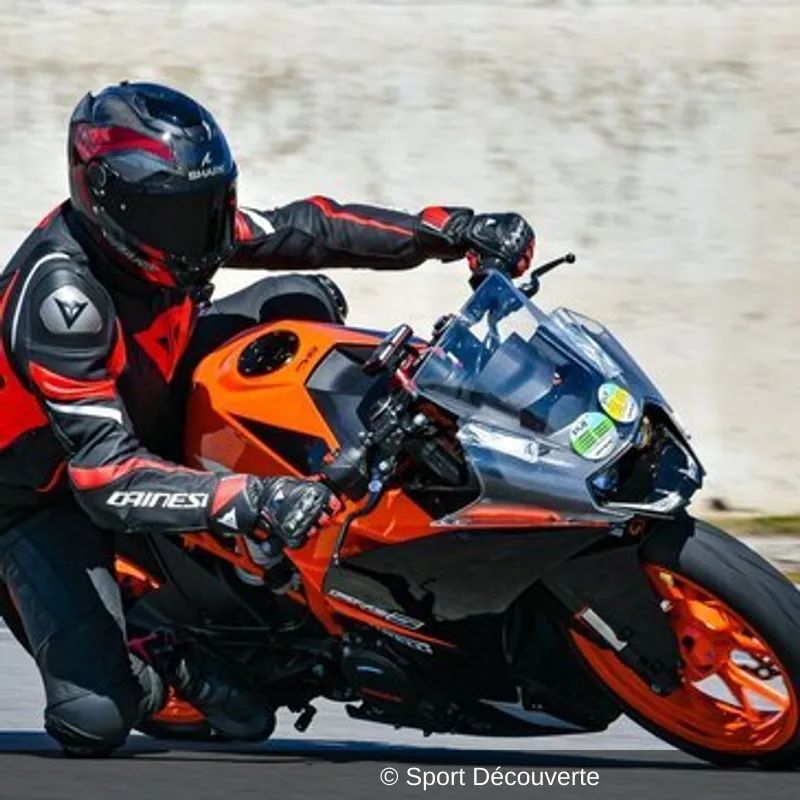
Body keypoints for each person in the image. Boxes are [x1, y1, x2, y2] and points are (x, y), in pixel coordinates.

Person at [0, 81, 535, 757]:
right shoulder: (62, 300)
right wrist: (252, 497)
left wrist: (449, 230)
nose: (205, 232)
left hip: (153, 388)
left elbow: (309, 228)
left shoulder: (182, 228)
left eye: (211, 203)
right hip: (39, 492)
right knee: (96, 718)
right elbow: (103, 478)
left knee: (303, 298)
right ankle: (160, 652)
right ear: (110, 202)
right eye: (179, 215)